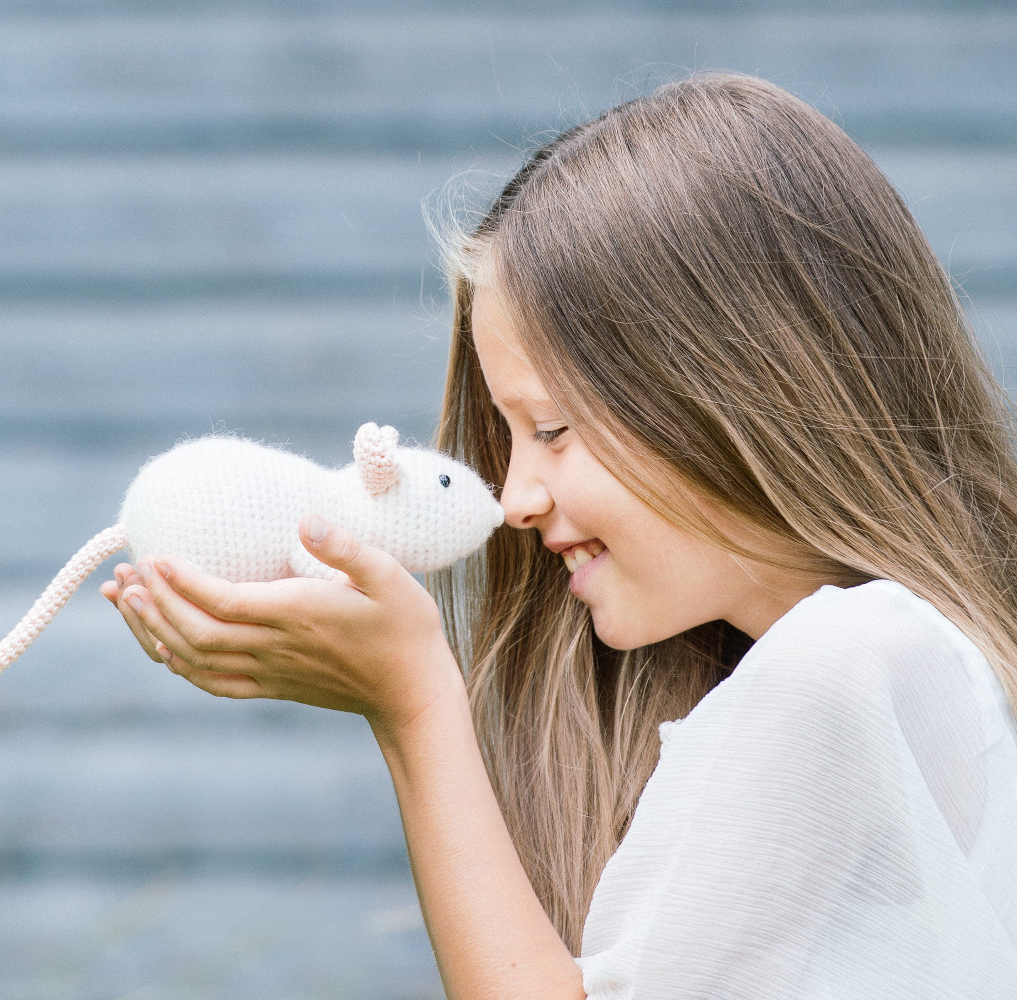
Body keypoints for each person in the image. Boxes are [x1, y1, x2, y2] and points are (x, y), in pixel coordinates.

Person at [98, 73, 1017, 999]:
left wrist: (415, 706)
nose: (515, 497)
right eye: (506, 437)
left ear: (735, 387)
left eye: (553, 430)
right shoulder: (913, 668)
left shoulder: (845, 664)